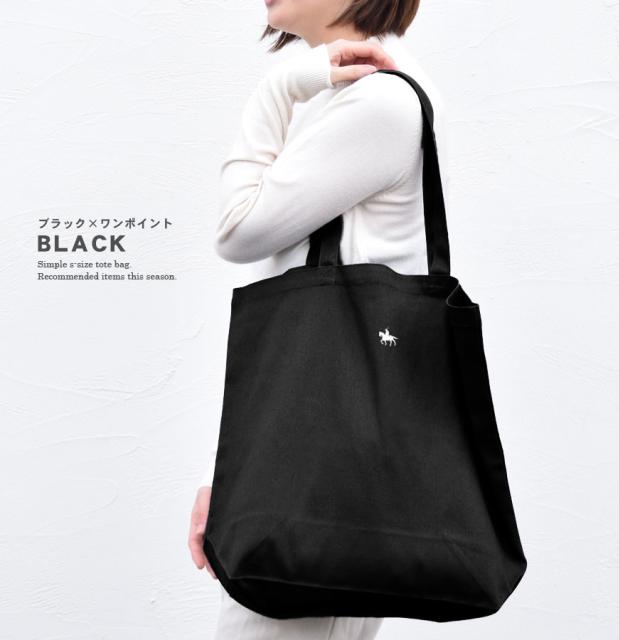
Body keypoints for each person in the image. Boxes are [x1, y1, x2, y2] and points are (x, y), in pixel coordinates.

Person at [189, 1, 450, 637]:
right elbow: (299, 331)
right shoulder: (353, 99)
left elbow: (237, 231)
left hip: (323, 481)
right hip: (317, 460)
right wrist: (229, 473)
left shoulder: (378, 102)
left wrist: (278, 89)